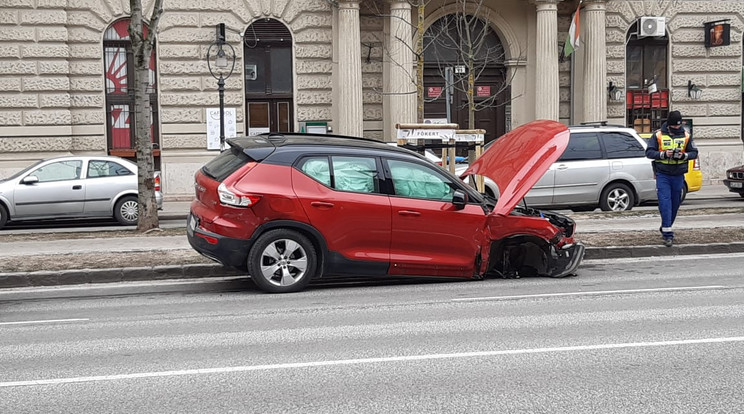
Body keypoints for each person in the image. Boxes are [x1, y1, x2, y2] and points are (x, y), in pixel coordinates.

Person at [645, 110, 698, 247]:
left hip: (678, 174)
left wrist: (683, 156)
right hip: (663, 174)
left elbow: (694, 153)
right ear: (668, 124)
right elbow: (649, 152)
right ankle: (668, 234)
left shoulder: (686, 136)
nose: (677, 128)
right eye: (674, 126)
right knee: (665, 202)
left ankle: (665, 226)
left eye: (678, 126)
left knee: (675, 203)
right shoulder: (657, 135)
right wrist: (663, 154)